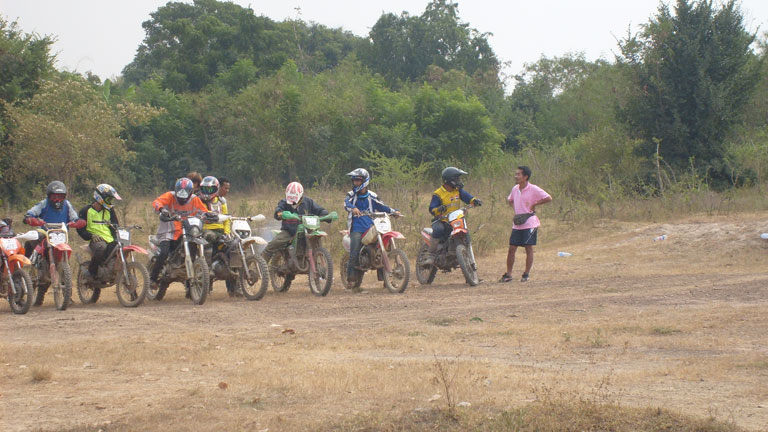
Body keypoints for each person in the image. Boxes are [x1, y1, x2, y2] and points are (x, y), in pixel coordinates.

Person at [343, 168, 400, 292]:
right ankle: (351, 280)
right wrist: (353, 208)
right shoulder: (351, 195)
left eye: (358, 180)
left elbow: (382, 206)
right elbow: (346, 204)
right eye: (354, 181)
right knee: (355, 251)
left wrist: (394, 211)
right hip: (356, 228)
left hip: (371, 227)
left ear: (364, 181)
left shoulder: (372, 195)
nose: (355, 183)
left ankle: (387, 281)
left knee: (382, 248)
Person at [149, 178, 210, 292]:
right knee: (164, 252)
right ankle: (153, 279)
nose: (182, 199)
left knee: (193, 249)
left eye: (185, 196)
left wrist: (211, 215)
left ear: (190, 193)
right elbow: (156, 202)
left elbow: (204, 210)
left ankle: (190, 287)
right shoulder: (170, 196)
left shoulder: (194, 199)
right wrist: (162, 209)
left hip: (187, 231)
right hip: (168, 232)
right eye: (180, 196)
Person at [500, 166, 552, 283]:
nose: (516, 176)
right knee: (512, 248)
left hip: (530, 222)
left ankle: (526, 274)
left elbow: (548, 198)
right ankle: (508, 274)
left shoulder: (533, 188)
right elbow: (510, 200)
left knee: (528, 247)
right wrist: (516, 209)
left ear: (525, 177)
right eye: (516, 174)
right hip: (518, 223)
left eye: (518, 174)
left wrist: (535, 204)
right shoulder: (515, 189)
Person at [261, 182, 329, 268]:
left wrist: (325, 214)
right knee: (273, 244)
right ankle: (260, 267)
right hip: (289, 232)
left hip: (308, 230)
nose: (292, 201)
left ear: (300, 195)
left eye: (294, 197)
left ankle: (321, 266)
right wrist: (281, 214)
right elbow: (278, 211)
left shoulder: (308, 202)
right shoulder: (284, 202)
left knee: (317, 240)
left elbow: (319, 210)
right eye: (290, 197)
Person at [423, 167, 482, 265]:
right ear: (450, 180)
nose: (459, 181)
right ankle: (431, 256)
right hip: (441, 220)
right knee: (438, 230)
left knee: (465, 231)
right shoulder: (438, 194)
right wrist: (439, 209)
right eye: (457, 179)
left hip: (455, 219)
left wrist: (474, 200)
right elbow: (432, 208)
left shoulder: (458, 190)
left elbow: (467, 197)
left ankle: (465, 256)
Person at [23, 181, 85, 256]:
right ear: (49, 196)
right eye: (54, 197)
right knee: (33, 239)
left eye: (60, 197)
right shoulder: (44, 203)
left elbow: (75, 218)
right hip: (44, 233)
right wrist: (30, 219)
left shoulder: (67, 204)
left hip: (61, 235)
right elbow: (31, 213)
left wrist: (77, 223)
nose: (57, 200)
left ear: (64, 197)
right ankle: (27, 259)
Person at [76, 184, 122, 279]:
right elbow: (80, 229)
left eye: (111, 200)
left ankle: (113, 271)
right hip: (96, 240)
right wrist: (91, 236)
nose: (110, 202)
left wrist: (118, 236)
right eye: (108, 199)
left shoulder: (110, 210)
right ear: (100, 197)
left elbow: (116, 226)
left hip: (110, 239)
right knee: (101, 248)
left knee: (122, 248)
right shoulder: (85, 211)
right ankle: (91, 272)